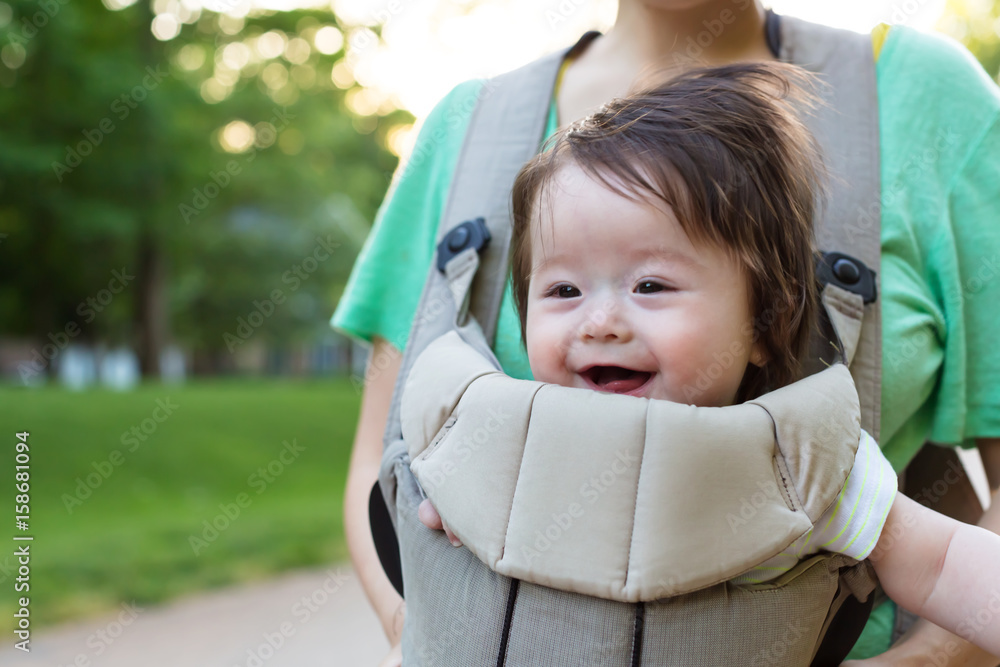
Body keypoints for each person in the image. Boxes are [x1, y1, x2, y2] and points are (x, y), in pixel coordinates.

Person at [332, 2, 1000, 663]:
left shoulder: (806, 466)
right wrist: (420, 632)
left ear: (770, 322)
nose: (602, 322)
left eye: (651, 286)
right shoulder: (497, 444)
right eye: (563, 291)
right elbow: (392, 479)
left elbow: (941, 564)